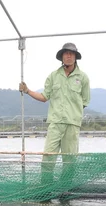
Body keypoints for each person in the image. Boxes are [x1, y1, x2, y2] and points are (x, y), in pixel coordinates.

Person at [19, 43, 90, 181]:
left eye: (71, 53)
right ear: (62, 57)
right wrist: (27, 91)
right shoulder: (53, 76)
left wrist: (73, 114)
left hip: (72, 124)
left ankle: (65, 193)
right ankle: (46, 191)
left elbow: (85, 101)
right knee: (48, 159)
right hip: (55, 123)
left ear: (75, 57)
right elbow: (44, 97)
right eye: (66, 53)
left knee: (70, 161)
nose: (68, 56)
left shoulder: (83, 78)